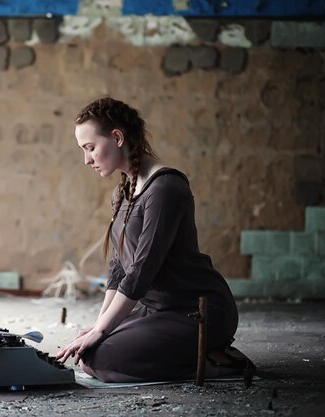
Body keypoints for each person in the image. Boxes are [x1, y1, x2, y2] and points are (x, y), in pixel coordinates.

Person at [55, 97, 254, 382]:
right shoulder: (122, 191)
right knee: (89, 353)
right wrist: (99, 325)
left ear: (117, 137)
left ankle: (215, 362)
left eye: (90, 148)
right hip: (157, 310)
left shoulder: (166, 187)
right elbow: (119, 269)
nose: (86, 159)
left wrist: (102, 331)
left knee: (103, 357)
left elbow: (141, 271)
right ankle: (201, 354)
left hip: (196, 310)